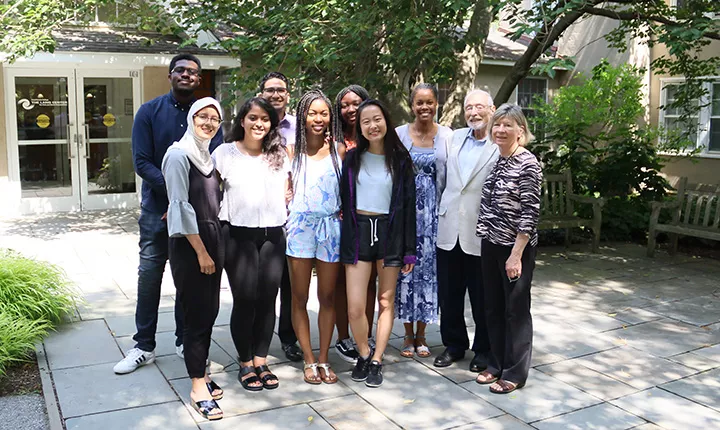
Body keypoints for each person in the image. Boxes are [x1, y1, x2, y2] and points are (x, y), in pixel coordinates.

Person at [115, 54, 223, 374]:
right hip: (156, 210)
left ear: (199, 79)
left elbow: (214, 161)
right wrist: (176, 195)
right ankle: (143, 345)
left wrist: (189, 202)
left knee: (186, 278)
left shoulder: (206, 116)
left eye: (193, 72)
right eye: (181, 70)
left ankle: (183, 340)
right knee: (150, 276)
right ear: (170, 75)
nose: (186, 75)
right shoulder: (149, 112)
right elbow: (142, 162)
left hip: (193, 214)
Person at [212, 97, 290, 391]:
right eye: (253, 118)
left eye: (265, 119)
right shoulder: (224, 153)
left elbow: (288, 190)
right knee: (245, 299)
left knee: (268, 299)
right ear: (242, 120)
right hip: (237, 235)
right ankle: (245, 362)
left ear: (272, 124)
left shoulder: (279, 154)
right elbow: (209, 192)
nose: (259, 124)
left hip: (272, 235)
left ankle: (261, 360)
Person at [340, 99, 416, 387]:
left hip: (391, 232)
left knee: (386, 301)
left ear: (386, 121)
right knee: (355, 307)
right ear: (359, 127)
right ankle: (363, 352)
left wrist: (409, 252)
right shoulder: (352, 158)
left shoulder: (400, 159)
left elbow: (409, 207)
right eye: (365, 121)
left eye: (377, 119)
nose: (372, 126)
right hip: (358, 233)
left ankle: (377, 359)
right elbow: (343, 202)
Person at [162, 98, 224, 420]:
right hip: (192, 247)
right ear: (191, 118)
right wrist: (201, 251)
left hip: (212, 240)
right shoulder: (178, 155)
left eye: (215, 118)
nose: (209, 123)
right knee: (196, 314)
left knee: (209, 310)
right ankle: (197, 384)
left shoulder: (207, 158)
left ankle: (203, 371)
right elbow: (180, 206)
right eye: (203, 116)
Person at [475, 104, 542, 394]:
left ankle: (515, 372)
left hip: (516, 249)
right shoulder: (498, 160)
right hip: (491, 243)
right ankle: (496, 363)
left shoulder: (528, 163)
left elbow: (530, 213)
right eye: (497, 125)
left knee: (516, 310)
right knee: (493, 307)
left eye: (508, 125)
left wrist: (516, 255)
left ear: (521, 131)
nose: (501, 130)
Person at [434, 89, 498, 372]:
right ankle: (454, 344)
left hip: (481, 231)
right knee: (449, 293)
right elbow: (441, 179)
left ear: (492, 109)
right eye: (468, 107)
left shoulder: (500, 142)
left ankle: (483, 349)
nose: (473, 113)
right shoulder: (452, 138)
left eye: (479, 107)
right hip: (449, 228)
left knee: (482, 294)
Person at [286, 90, 342, 384]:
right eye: (312, 113)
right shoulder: (290, 151)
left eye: (324, 113)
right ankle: (308, 359)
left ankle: (324, 359)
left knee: (328, 296)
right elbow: (284, 191)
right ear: (302, 116)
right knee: (299, 296)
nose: (318, 119)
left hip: (330, 227)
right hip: (300, 228)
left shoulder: (339, 151)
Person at [395, 83, 453, 358]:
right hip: (407, 215)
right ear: (412, 105)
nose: (424, 107)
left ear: (436, 104)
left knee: (430, 276)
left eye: (429, 102)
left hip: (435, 217)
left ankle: (422, 335)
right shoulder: (398, 135)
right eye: (419, 102)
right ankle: (407, 334)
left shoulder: (448, 136)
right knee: (406, 274)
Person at [258, 71, 303, 362]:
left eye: (281, 90)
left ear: (289, 94)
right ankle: (258, 339)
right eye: (270, 89)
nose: (276, 94)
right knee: (264, 283)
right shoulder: (255, 123)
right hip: (261, 217)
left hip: (294, 216)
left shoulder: (300, 127)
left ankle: (288, 337)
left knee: (292, 284)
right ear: (262, 93)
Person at [331, 85, 377, 363]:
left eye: (356, 103)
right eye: (345, 105)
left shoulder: (374, 139)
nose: (350, 109)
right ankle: (342, 337)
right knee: (339, 281)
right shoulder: (331, 140)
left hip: (369, 219)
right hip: (338, 220)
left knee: (368, 281)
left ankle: (367, 334)